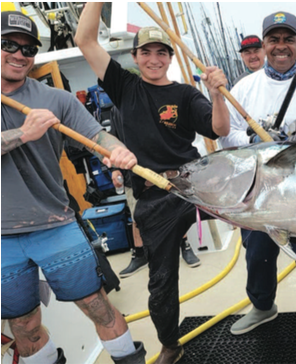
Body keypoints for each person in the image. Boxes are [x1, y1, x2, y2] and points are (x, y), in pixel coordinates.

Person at [75, 3, 230, 363]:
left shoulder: (186, 95)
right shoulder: (123, 85)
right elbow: (85, 39)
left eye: (162, 52)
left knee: (254, 223)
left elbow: (219, 130)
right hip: (151, 197)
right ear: (135, 56)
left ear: (171, 58)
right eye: (146, 52)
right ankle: (171, 346)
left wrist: (217, 94)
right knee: (161, 283)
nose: (154, 59)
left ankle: (262, 294)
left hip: (194, 186)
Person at [1, 10, 146, 364]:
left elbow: (98, 135)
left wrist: (117, 150)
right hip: (3, 238)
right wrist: (24, 133)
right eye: (8, 45)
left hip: (57, 226)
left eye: (28, 49)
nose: (20, 55)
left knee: (99, 308)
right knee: (23, 325)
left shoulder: (56, 99)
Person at [218, 11, 296, 343]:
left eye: (288, 39)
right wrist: (252, 142)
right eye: (274, 39)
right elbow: (225, 135)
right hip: (259, 192)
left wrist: (287, 138)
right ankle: (262, 306)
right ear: (264, 45)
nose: (281, 46)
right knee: (257, 252)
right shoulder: (244, 88)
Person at [108, 107, 200, 279]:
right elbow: (113, 138)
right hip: (132, 171)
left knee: (175, 209)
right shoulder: (115, 108)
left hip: (162, 167)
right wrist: (114, 169)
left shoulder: (148, 98)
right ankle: (140, 254)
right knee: (137, 215)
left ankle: (185, 246)